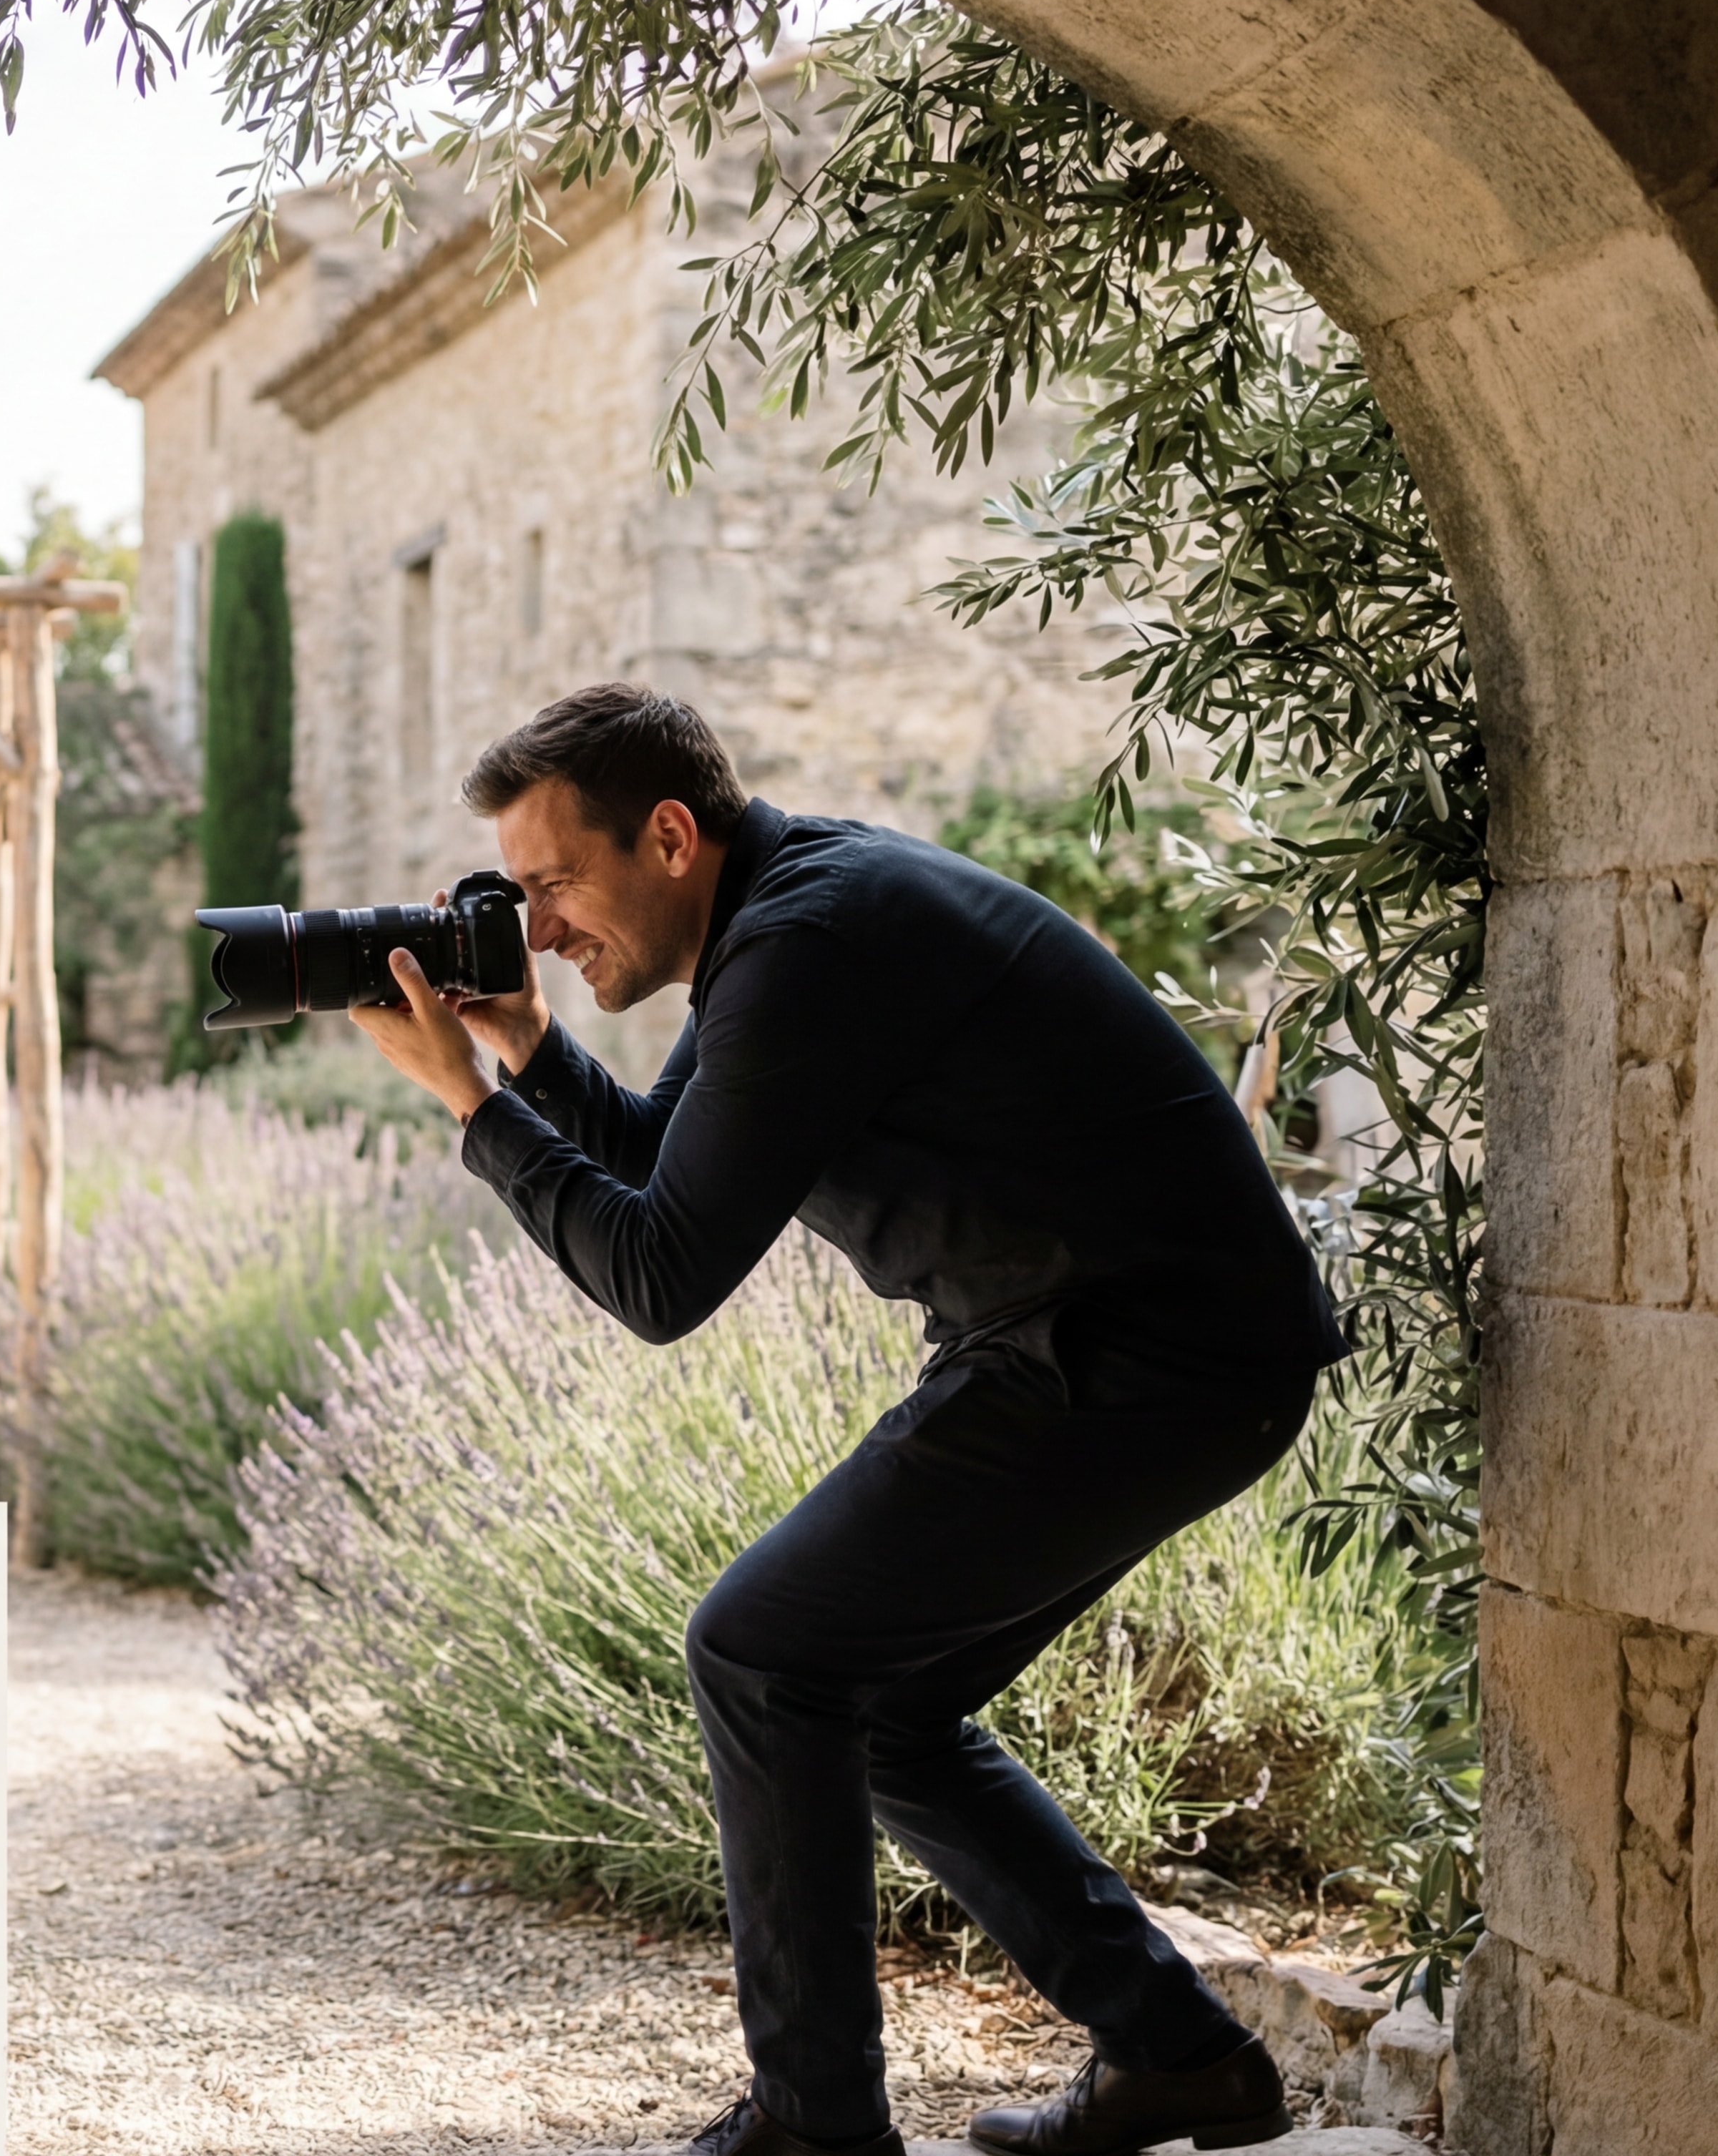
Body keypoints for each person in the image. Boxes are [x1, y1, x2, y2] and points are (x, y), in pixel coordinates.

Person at [342, 685, 1347, 2156]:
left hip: (1135, 1355)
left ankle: (816, 2128)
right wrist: (525, 1051)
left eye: (553, 884)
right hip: (1132, 1346)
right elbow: (662, 1163)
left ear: (667, 837)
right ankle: (1177, 2054)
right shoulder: (785, 918)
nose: (537, 928)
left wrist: (468, 1106)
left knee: (759, 1652)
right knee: (875, 1706)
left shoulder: (808, 941)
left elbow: (659, 1277)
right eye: (519, 896)